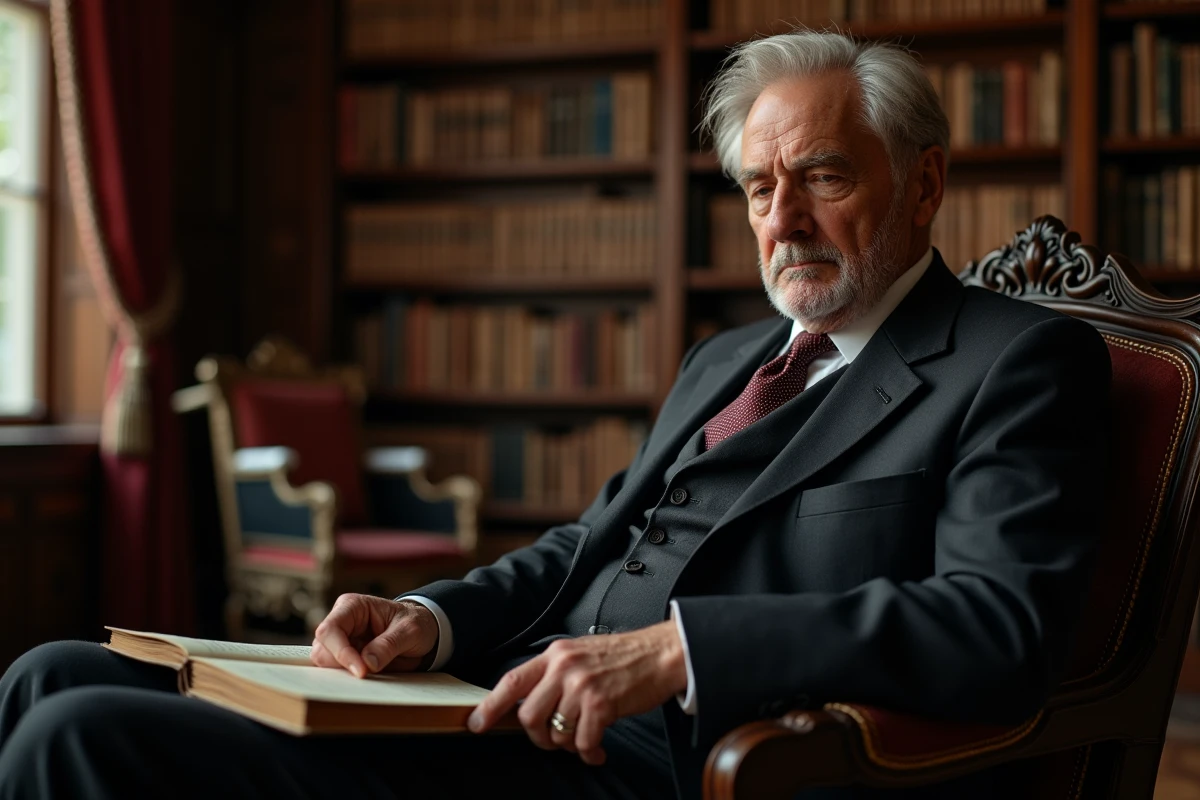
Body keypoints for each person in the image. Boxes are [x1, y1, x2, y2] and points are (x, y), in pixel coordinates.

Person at [0, 29, 1110, 800]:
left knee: (74, 733)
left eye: (823, 177)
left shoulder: (1017, 361)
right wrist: (428, 619)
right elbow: (591, 542)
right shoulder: (727, 355)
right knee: (50, 668)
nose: (784, 221)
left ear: (923, 185)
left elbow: (997, 626)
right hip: (504, 693)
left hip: (668, 762)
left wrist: (679, 649)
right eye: (759, 190)